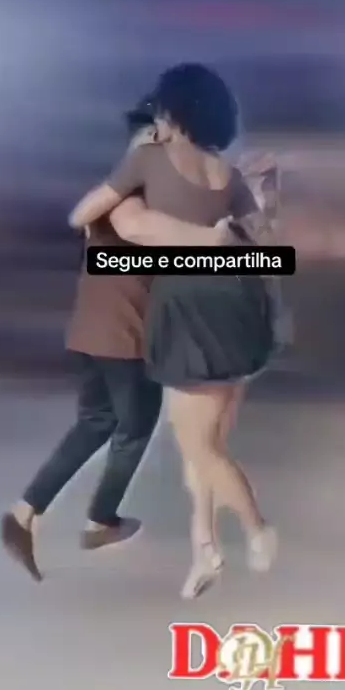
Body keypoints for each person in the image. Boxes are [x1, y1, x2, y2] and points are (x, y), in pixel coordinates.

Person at [69, 64, 279, 599]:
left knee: (200, 447)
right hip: (240, 308)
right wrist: (256, 204)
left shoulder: (147, 158)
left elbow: (86, 215)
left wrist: (110, 207)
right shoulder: (228, 173)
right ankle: (205, 547)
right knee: (207, 441)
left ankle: (257, 529)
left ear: (172, 113)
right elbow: (261, 238)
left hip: (189, 311)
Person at [0, 102, 229, 581]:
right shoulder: (133, 199)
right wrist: (213, 239)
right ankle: (101, 521)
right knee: (136, 424)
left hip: (91, 330)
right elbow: (147, 237)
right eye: (158, 140)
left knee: (96, 421)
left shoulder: (117, 192)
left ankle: (24, 513)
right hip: (123, 337)